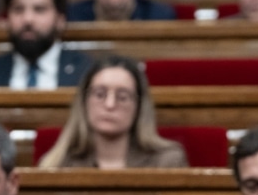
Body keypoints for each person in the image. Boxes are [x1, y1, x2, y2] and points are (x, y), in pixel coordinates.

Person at [37, 55, 188, 168]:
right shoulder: (58, 165)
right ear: (84, 101)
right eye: (100, 94)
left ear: (139, 106)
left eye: (122, 97)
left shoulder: (166, 162)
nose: (110, 105)